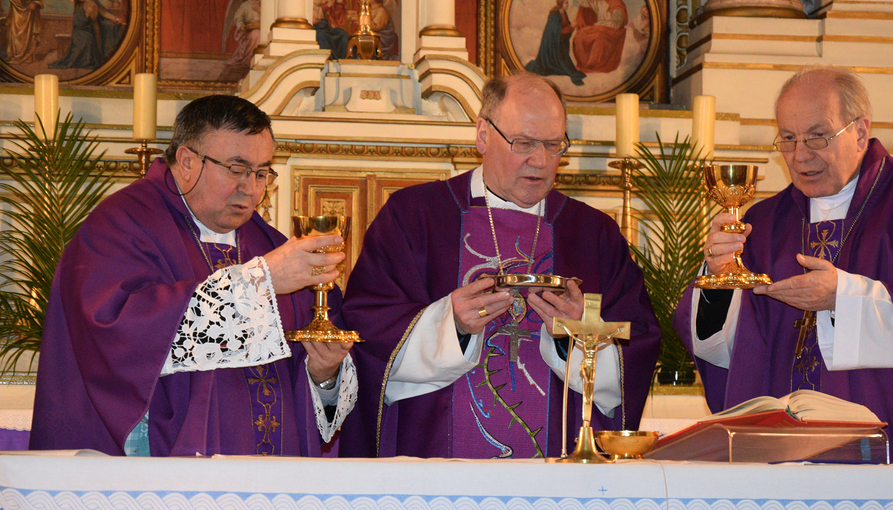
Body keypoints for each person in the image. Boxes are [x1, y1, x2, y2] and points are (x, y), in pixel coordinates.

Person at [674, 66, 893, 462]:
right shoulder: (766, 223)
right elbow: (729, 350)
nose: (800, 155)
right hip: (783, 457)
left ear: (860, 132)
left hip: (892, 454)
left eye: (817, 136)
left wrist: (843, 298)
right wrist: (717, 275)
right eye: (788, 138)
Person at [339, 72, 660, 459]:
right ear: (482, 135)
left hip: (559, 474)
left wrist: (577, 335)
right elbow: (367, 330)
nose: (540, 160)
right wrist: (451, 325)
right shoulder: (414, 216)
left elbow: (637, 346)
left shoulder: (594, 234)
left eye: (554, 145)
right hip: (435, 468)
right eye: (523, 143)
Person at [30, 95, 357, 457]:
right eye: (236, 169)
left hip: (269, 477)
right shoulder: (121, 226)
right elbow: (120, 336)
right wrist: (260, 282)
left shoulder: (269, 245)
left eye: (262, 173)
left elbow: (315, 387)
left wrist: (324, 374)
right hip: (167, 474)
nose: (251, 189)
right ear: (187, 162)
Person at [49, 0, 125, 70]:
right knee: (87, 38)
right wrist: (88, 13)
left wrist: (115, 18)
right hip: (81, 30)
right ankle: (87, 61)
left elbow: (103, 13)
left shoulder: (93, 2)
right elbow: (79, 22)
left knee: (108, 29)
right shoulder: (79, 5)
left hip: (95, 29)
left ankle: (98, 59)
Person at [525, 0, 586, 87]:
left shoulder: (564, 13)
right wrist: (571, 26)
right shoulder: (555, 15)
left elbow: (565, 28)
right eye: (566, 3)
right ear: (561, 3)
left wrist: (572, 26)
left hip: (560, 44)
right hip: (553, 46)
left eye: (568, 2)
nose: (568, 5)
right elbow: (557, 32)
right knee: (564, 66)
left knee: (567, 65)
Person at [571, 0, 627, 74]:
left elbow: (620, 17)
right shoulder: (598, 1)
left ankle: (594, 65)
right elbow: (585, 2)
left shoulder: (616, 2)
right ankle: (583, 63)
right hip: (599, 26)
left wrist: (614, 12)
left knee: (599, 37)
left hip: (612, 28)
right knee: (580, 36)